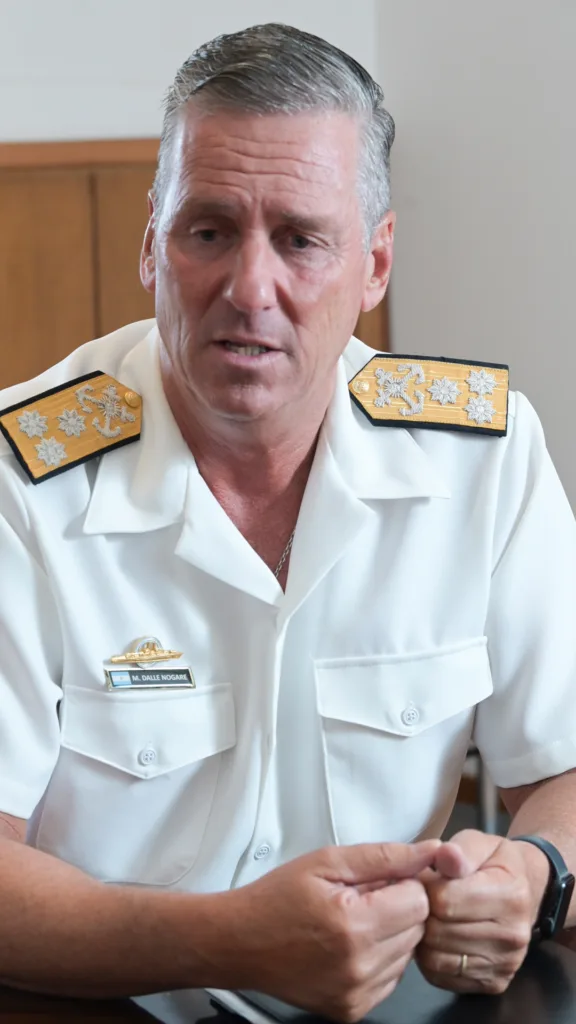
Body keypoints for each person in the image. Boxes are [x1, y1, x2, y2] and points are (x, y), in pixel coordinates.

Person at [0, 21, 575, 1024]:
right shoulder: (22, 482)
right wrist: (230, 940)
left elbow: (565, 768)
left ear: (376, 263)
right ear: (151, 244)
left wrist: (535, 872)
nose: (248, 289)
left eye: (301, 240)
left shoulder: (482, 457)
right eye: (208, 231)